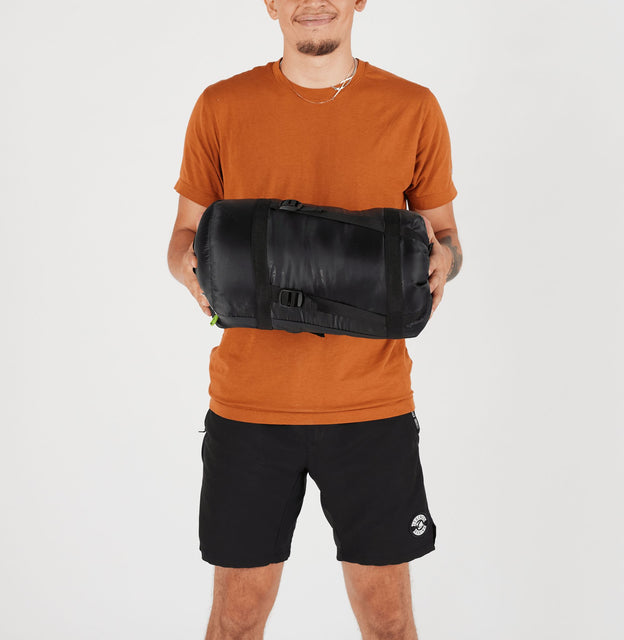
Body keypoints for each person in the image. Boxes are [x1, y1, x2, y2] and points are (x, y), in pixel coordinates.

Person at [167, 1, 463, 638]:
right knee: (236, 620)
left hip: (371, 405)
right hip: (250, 406)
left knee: (389, 622)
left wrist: (445, 261)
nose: (314, 2)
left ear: (359, 0)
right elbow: (183, 237)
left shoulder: (412, 106)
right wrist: (192, 270)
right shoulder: (222, 105)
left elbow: (445, 236)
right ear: (271, 4)